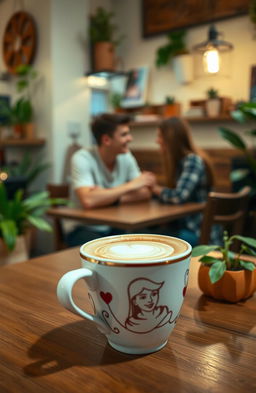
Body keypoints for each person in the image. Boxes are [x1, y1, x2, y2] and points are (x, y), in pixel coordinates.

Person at [65, 113, 155, 246]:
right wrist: (130, 186)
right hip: (84, 227)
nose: (130, 138)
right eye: (124, 135)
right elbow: (88, 200)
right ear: (106, 140)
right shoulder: (81, 158)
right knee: (101, 250)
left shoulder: (126, 155)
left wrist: (105, 196)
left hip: (117, 224)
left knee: (146, 241)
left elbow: (145, 192)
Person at [152, 117, 219, 246]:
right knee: (152, 235)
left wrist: (155, 188)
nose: (157, 141)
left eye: (160, 136)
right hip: (189, 228)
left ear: (170, 139)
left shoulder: (192, 160)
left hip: (200, 235)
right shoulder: (180, 163)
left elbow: (179, 196)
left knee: (153, 241)